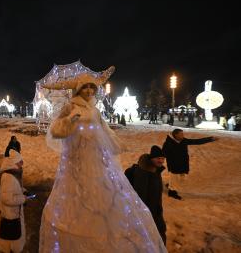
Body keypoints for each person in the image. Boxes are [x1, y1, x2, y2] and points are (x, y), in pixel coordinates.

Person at [39, 67, 166, 252]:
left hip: (97, 159)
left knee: (101, 192)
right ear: (79, 89)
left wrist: (116, 144)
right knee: (78, 194)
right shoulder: (70, 106)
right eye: (86, 88)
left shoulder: (95, 110)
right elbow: (56, 131)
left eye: (92, 88)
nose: (89, 91)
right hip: (77, 160)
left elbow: (105, 130)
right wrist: (70, 120)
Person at [125, 146, 167, 244]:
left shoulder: (155, 170)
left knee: (159, 232)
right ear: (152, 158)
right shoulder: (143, 173)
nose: (161, 161)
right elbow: (140, 195)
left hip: (155, 209)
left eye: (163, 158)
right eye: (158, 158)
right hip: (148, 212)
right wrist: (145, 214)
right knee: (153, 236)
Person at [0, 152, 27, 253]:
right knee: (10, 237)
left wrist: (23, 190)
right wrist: (23, 199)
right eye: (20, 162)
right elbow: (6, 198)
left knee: (11, 237)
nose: (22, 164)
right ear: (14, 163)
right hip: (9, 214)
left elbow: (13, 189)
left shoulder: (13, 174)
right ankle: (9, 249)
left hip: (12, 212)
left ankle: (10, 248)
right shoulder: (9, 177)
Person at [162, 128, 217, 200]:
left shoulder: (184, 140)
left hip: (183, 163)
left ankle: (170, 185)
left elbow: (196, 141)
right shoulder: (168, 143)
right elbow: (163, 154)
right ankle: (172, 193)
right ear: (175, 135)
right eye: (181, 134)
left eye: (183, 134)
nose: (183, 135)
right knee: (174, 179)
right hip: (173, 165)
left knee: (182, 179)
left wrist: (210, 139)